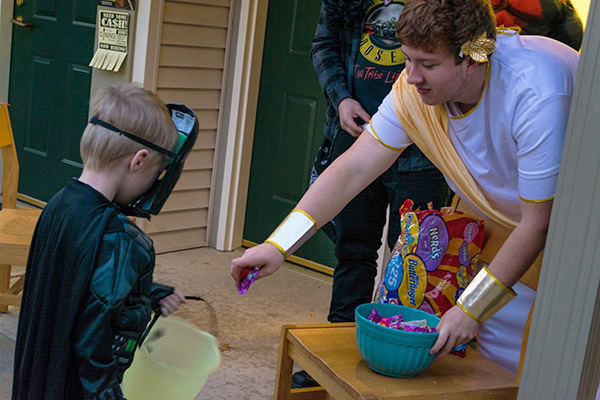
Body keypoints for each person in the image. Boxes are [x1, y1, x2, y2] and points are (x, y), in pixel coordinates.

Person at [232, 0, 579, 377]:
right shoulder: (414, 90)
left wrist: (471, 309)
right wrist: (278, 244)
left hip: (569, 247)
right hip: (500, 236)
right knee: (486, 372)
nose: (411, 77)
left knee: (553, 371)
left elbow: (538, 223)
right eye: (407, 59)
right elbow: (353, 168)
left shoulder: (536, 94)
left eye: (427, 64)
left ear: (472, 57)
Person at [12, 84, 198, 399]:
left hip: (38, 378)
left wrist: (147, 294)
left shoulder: (59, 204)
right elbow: (93, 341)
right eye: (157, 172)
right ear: (139, 161)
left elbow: (76, 283)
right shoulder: (119, 237)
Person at [310, 0, 450, 325]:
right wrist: (341, 98)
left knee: (415, 258)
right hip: (356, 133)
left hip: (423, 148)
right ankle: (340, 341)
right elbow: (324, 44)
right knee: (352, 250)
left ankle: (400, 344)